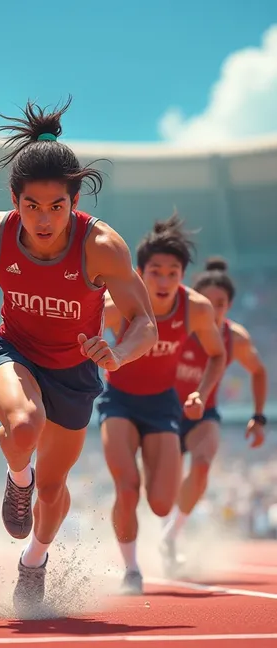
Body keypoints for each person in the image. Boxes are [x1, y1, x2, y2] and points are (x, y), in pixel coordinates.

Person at [0, 97, 158, 611]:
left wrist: (117, 354)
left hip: (74, 371)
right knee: (24, 425)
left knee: (55, 490)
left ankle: (34, 562)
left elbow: (146, 322)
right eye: (31, 206)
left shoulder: (102, 247)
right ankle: (17, 481)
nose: (44, 219)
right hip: (14, 351)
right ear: (14, 199)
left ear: (75, 202)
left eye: (57, 207)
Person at [98, 213, 226, 595]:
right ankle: (132, 570)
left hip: (162, 406)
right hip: (117, 401)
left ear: (183, 275)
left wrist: (201, 391)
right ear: (139, 272)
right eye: (156, 272)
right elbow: (78, 330)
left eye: (173, 273)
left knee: (159, 503)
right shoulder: (118, 303)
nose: (165, 281)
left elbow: (217, 356)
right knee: (126, 486)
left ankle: (162, 541)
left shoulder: (197, 308)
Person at [161, 257, 267, 571]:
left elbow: (258, 372)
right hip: (162, 413)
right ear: (194, 302)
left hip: (203, 415)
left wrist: (258, 417)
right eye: (207, 302)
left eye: (220, 304)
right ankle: (158, 536)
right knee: (163, 488)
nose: (214, 310)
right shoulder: (174, 329)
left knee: (203, 465)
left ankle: (171, 536)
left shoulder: (236, 338)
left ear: (229, 305)